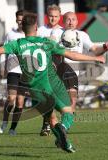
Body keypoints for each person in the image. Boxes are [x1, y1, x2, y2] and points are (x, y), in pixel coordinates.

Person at [0, 12, 106, 153]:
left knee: (52, 119)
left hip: (35, 90)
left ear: (23, 28)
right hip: (53, 85)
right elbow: (71, 55)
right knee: (68, 112)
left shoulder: (17, 44)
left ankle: (63, 140)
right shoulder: (46, 43)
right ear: (36, 27)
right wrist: (95, 58)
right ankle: (63, 128)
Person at [51, 11, 108, 114]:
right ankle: (48, 122)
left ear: (77, 21)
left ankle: (64, 126)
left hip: (74, 73)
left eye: (73, 19)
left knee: (72, 101)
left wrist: (104, 47)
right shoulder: (57, 32)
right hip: (58, 72)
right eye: (68, 20)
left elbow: (95, 49)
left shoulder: (82, 35)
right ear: (63, 21)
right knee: (54, 102)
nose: (71, 22)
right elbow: (52, 42)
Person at [0, 10, 26, 136]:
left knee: (20, 102)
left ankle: (13, 128)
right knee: (11, 99)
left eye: (23, 20)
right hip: (13, 70)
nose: (21, 22)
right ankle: (4, 121)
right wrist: (2, 66)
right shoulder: (10, 34)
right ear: (16, 20)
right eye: (19, 20)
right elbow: (4, 51)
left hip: (26, 73)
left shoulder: (30, 35)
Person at [37, 4, 64, 136]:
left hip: (58, 66)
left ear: (60, 17)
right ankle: (47, 124)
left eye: (56, 16)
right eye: (51, 16)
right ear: (47, 16)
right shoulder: (40, 30)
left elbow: (67, 50)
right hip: (42, 66)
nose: (53, 19)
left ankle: (55, 125)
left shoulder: (64, 32)